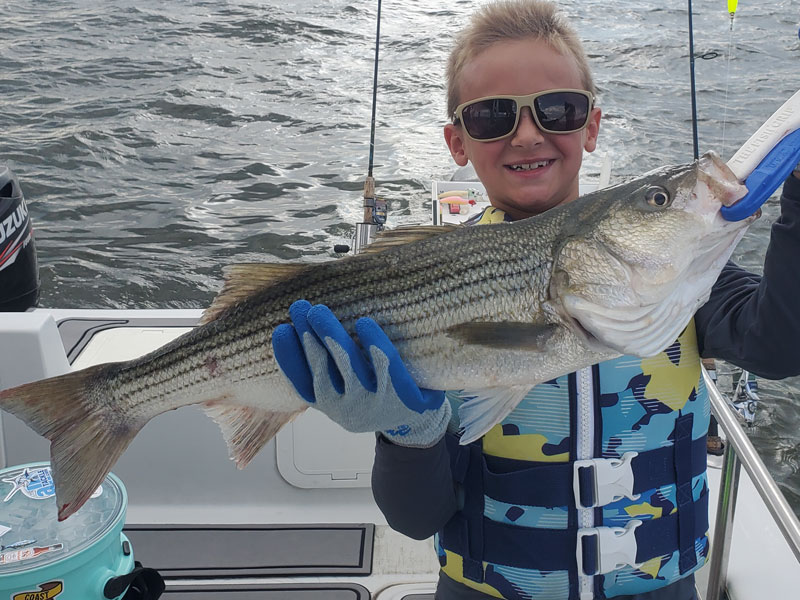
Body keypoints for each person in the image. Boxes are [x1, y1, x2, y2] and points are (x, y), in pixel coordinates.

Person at [271, 1, 800, 598]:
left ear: (591, 126)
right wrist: (407, 433)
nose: (528, 133)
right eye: (493, 115)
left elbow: (781, 347)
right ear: (458, 142)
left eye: (560, 109)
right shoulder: (427, 285)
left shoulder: (678, 278)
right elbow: (415, 518)